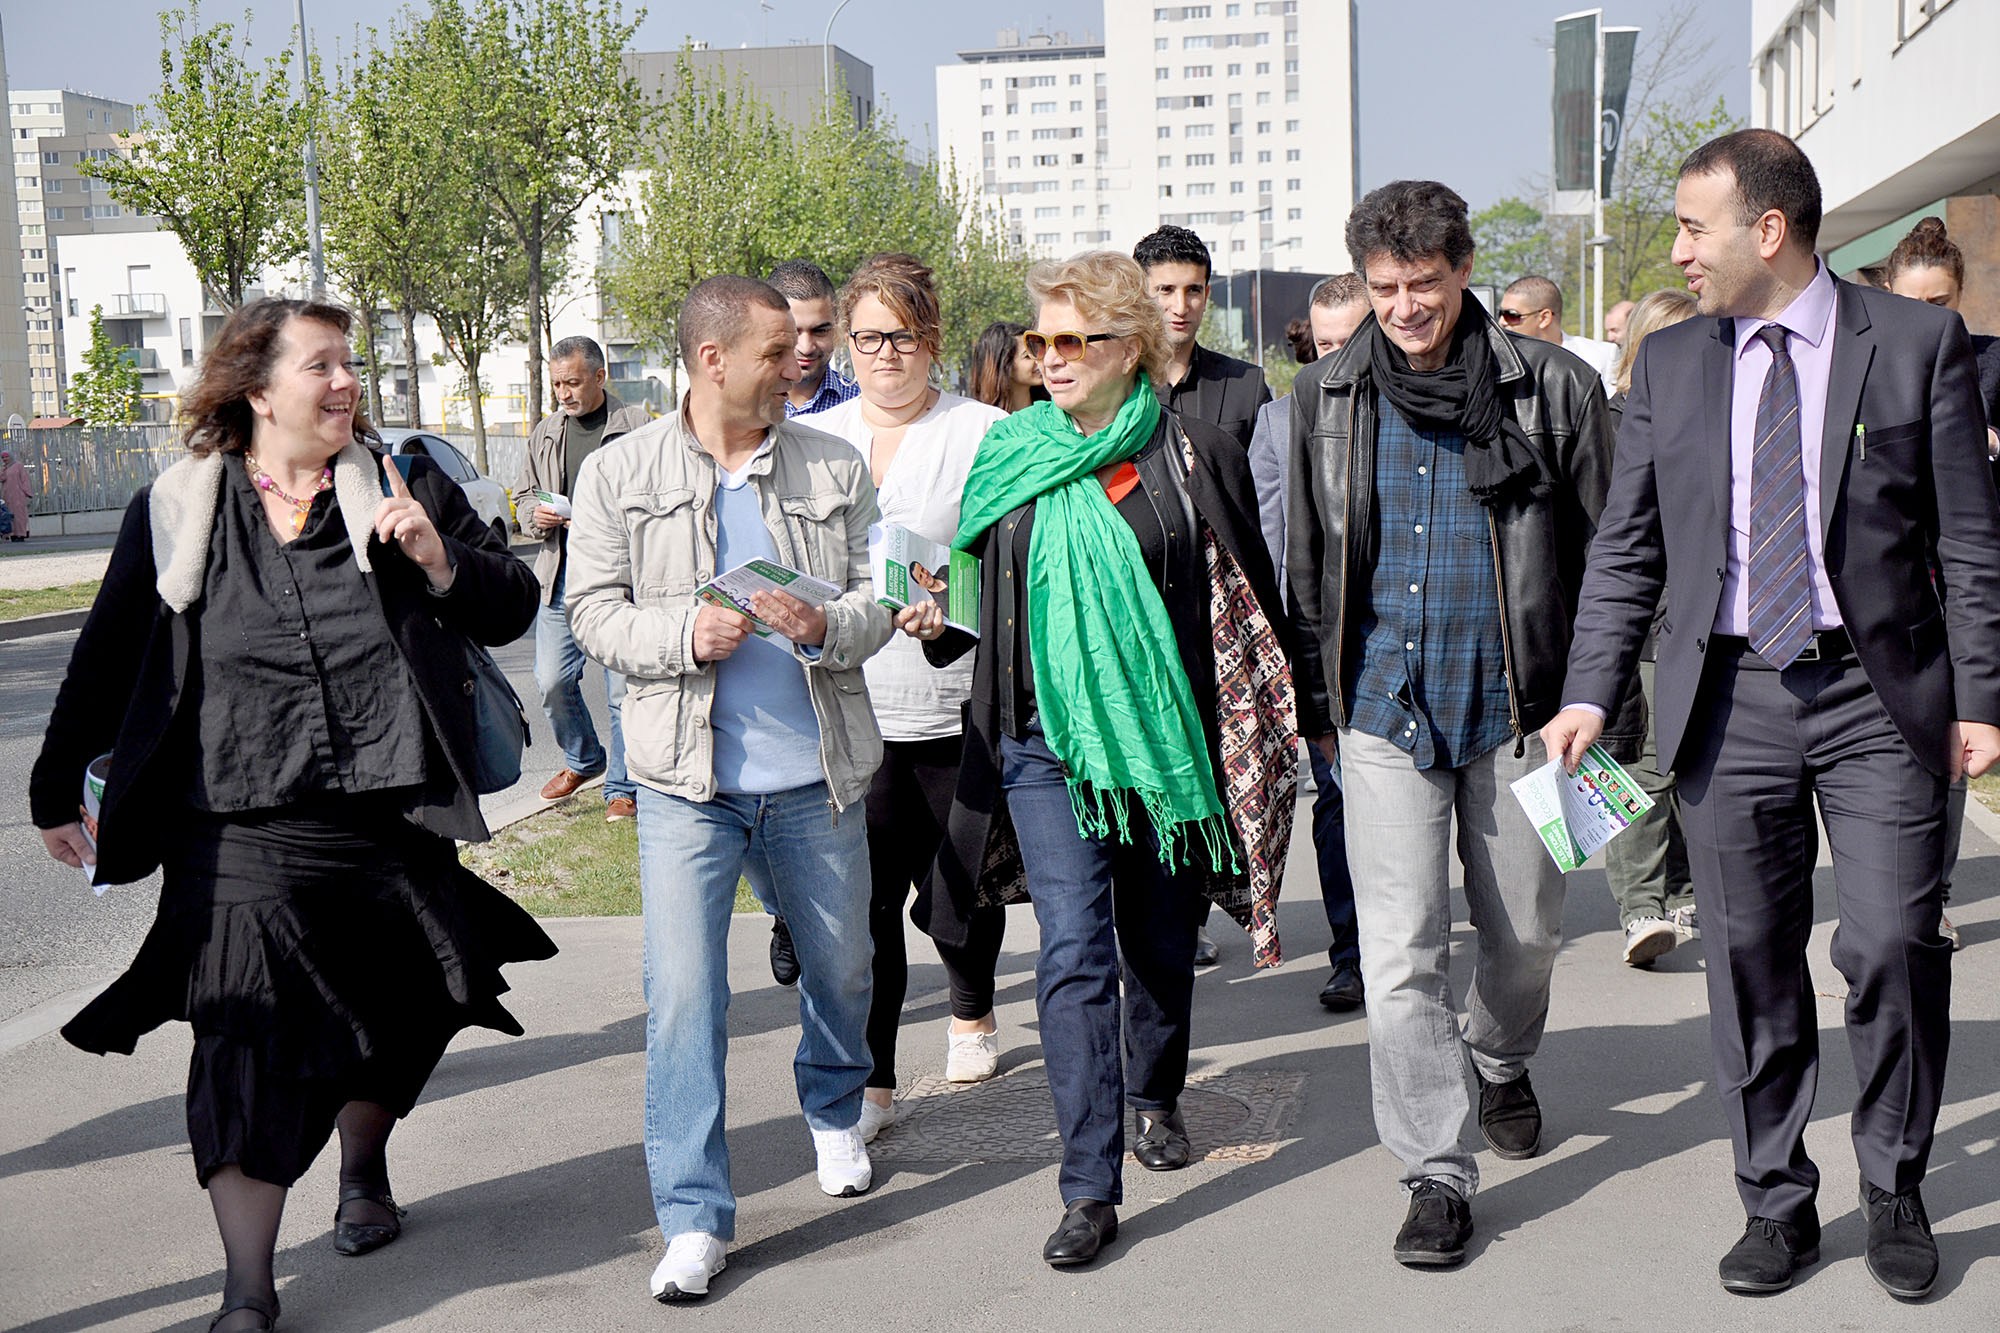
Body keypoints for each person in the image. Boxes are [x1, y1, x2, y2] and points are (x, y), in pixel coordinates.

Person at [29, 297, 556, 1333]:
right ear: (256, 388)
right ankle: (247, 1289)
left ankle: (365, 1171)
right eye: (322, 365)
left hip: (386, 821)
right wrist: (56, 789)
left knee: (397, 1011)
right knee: (239, 1041)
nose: (347, 382)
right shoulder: (178, 507)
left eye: (350, 363)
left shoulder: (403, 484)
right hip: (234, 832)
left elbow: (511, 604)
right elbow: (108, 653)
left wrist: (438, 560)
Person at [1543, 129, 2000, 1302]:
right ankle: (1776, 1200)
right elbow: (1625, 548)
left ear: (1766, 230)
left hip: (1878, 694)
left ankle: (1893, 1186)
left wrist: (1985, 699)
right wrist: (1591, 687)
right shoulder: (1674, 364)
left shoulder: (1912, 341)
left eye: (1693, 228)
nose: (1677, 251)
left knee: (1892, 944)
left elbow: (1967, 536)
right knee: (1748, 959)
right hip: (1728, 697)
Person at [923, 250, 1307, 1267]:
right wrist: (932, 618)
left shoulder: (1188, 454)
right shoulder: (1008, 456)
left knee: (1159, 944)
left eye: (1068, 341)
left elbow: (1241, 600)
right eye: (1036, 339)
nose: (1044, 358)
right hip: (1042, 744)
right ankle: (1088, 1185)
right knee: (1072, 951)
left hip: (1163, 742)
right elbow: (972, 592)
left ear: (1125, 349)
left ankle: (1154, 1089)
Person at [1287, 180, 1613, 1269]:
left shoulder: (1551, 387)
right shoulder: (1325, 395)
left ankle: (1502, 1056)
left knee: (1525, 930)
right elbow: (1310, 563)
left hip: (1524, 708)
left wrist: (1604, 697)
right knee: (1398, 955)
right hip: (1382, 706)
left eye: (1422, 284)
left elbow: (1611, 552)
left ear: (1463, 270)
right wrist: (1314, 701)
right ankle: (1433, 1169)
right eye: (1383, 287)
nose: (1402, 307)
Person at [564, 274, 895, 1304]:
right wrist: (678, 636)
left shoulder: (835, 464)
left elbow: (883, 599)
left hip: (816, 777)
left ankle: (835, 1108)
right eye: (775, 349)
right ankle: (694, 1217)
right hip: (683, 784)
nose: (801, 360)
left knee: (842, 969)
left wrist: (827, 626)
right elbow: (590, 613)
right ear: (713, 362)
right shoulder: (620, 471)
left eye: (805, 346)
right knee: (682, 1002)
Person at [809, 254, 1011, 1140]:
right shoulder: (819, 436)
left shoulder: (985, 432)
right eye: (866, 337)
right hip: (854, 703)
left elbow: (1005, 564)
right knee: (868, 901)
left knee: (959, 888)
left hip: (956, 696)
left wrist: (948, 607)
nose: (882, 354)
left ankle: (971, 1009)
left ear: (931, 339)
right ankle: (876, 1075)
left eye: (899, 336)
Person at [1134, 222, 1273, 966]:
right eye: (1164, 291)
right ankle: (1164, 911)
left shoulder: (1244, 385)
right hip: (1139, 611)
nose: (1179, 305)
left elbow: (1265, 506)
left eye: (1192, 290)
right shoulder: (1117, 382)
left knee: (1219, 763)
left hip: (1221, 613)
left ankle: (1195, 904)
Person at [1247, 272, 1370, 1012]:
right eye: (1320, 346)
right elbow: (1270, 544)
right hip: (1326, 654)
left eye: (1346, 343)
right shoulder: (1279, 422)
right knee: (1339, 801)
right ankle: (1353, 951)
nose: (1332, 361)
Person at [1885, 215, 2000, 952]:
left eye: (1942, 303)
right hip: (1889, 586)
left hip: (1960, 586)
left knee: (1950, 745)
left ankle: (1935, 893)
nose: (1927, 318)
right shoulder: (1862, 366)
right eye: (1912, 302)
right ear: (1887, 292)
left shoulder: (1992, 367)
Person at [1599, 288, 1701, 967]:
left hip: (1699, 619)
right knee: (1640, 765)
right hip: (1637, 624)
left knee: (1690, 758)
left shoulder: (1710, 414)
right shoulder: (1611, 422)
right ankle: (1640, 904)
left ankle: (1686, 890)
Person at [511, 337, 651, 819]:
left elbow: (656, 502)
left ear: (599, 377)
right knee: (551, 680)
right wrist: (536, 517)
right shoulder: (545, 432)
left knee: (620, 691)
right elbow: (525, 495)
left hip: (620, 578)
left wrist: (597, 519)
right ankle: (583, 759)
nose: (563, 394)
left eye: (572, 382)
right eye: (556, 385)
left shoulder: (637, 427)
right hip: (560, 573)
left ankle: (623, 789)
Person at [769, 258, 859, 419]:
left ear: (838, 324)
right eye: (793, 332)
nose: (806, 347)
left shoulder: (860, 406)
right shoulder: (741, 406)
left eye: (820, 331)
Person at [1500, 274, 1618, 386]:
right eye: (1500, 313)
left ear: (1544, 318)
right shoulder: (1500, 363)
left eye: (1511, 315)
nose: (1502, 322)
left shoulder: (1601, 357)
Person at [967, 319, 1046, 412]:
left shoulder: (1054, 413)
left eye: (1039, 353)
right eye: (1028, 356)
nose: (1040, 360)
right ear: (1004, 365)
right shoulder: (985, 420)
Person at [1, 448, 32, 540]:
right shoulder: (4, 467)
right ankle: (12, 534)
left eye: (6, 457)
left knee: (19, 515)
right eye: (3, 457)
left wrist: (27, 492)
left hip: (18, 495)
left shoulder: (18, 466)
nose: (5, 459)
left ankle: (21, 534)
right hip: (7, 495)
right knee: (9, 516)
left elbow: (24, 479)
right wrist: (3, 469)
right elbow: (1, 479)